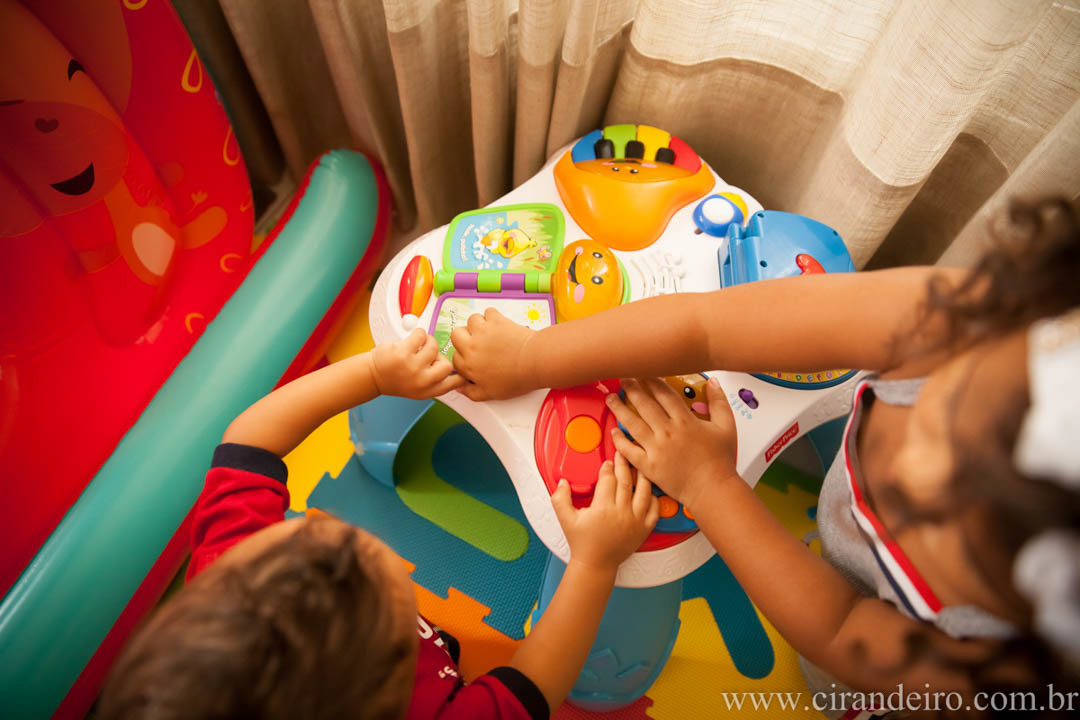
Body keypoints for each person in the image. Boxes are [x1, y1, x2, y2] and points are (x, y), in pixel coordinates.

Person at [450, 198, 1080, 715]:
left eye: (946, 519)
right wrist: (536, 358)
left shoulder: (1008, 678)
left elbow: (839, 627)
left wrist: (710, 483)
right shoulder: (969, 317)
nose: (910, 468)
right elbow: (704, 325)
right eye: (947, 413)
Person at [99, 328, 660, 720]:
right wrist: (595, 561)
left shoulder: (231, 580)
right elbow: (530, 689)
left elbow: (247, 442)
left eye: (307, 529)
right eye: (367, 553)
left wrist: (370, 374)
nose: (344, 531)